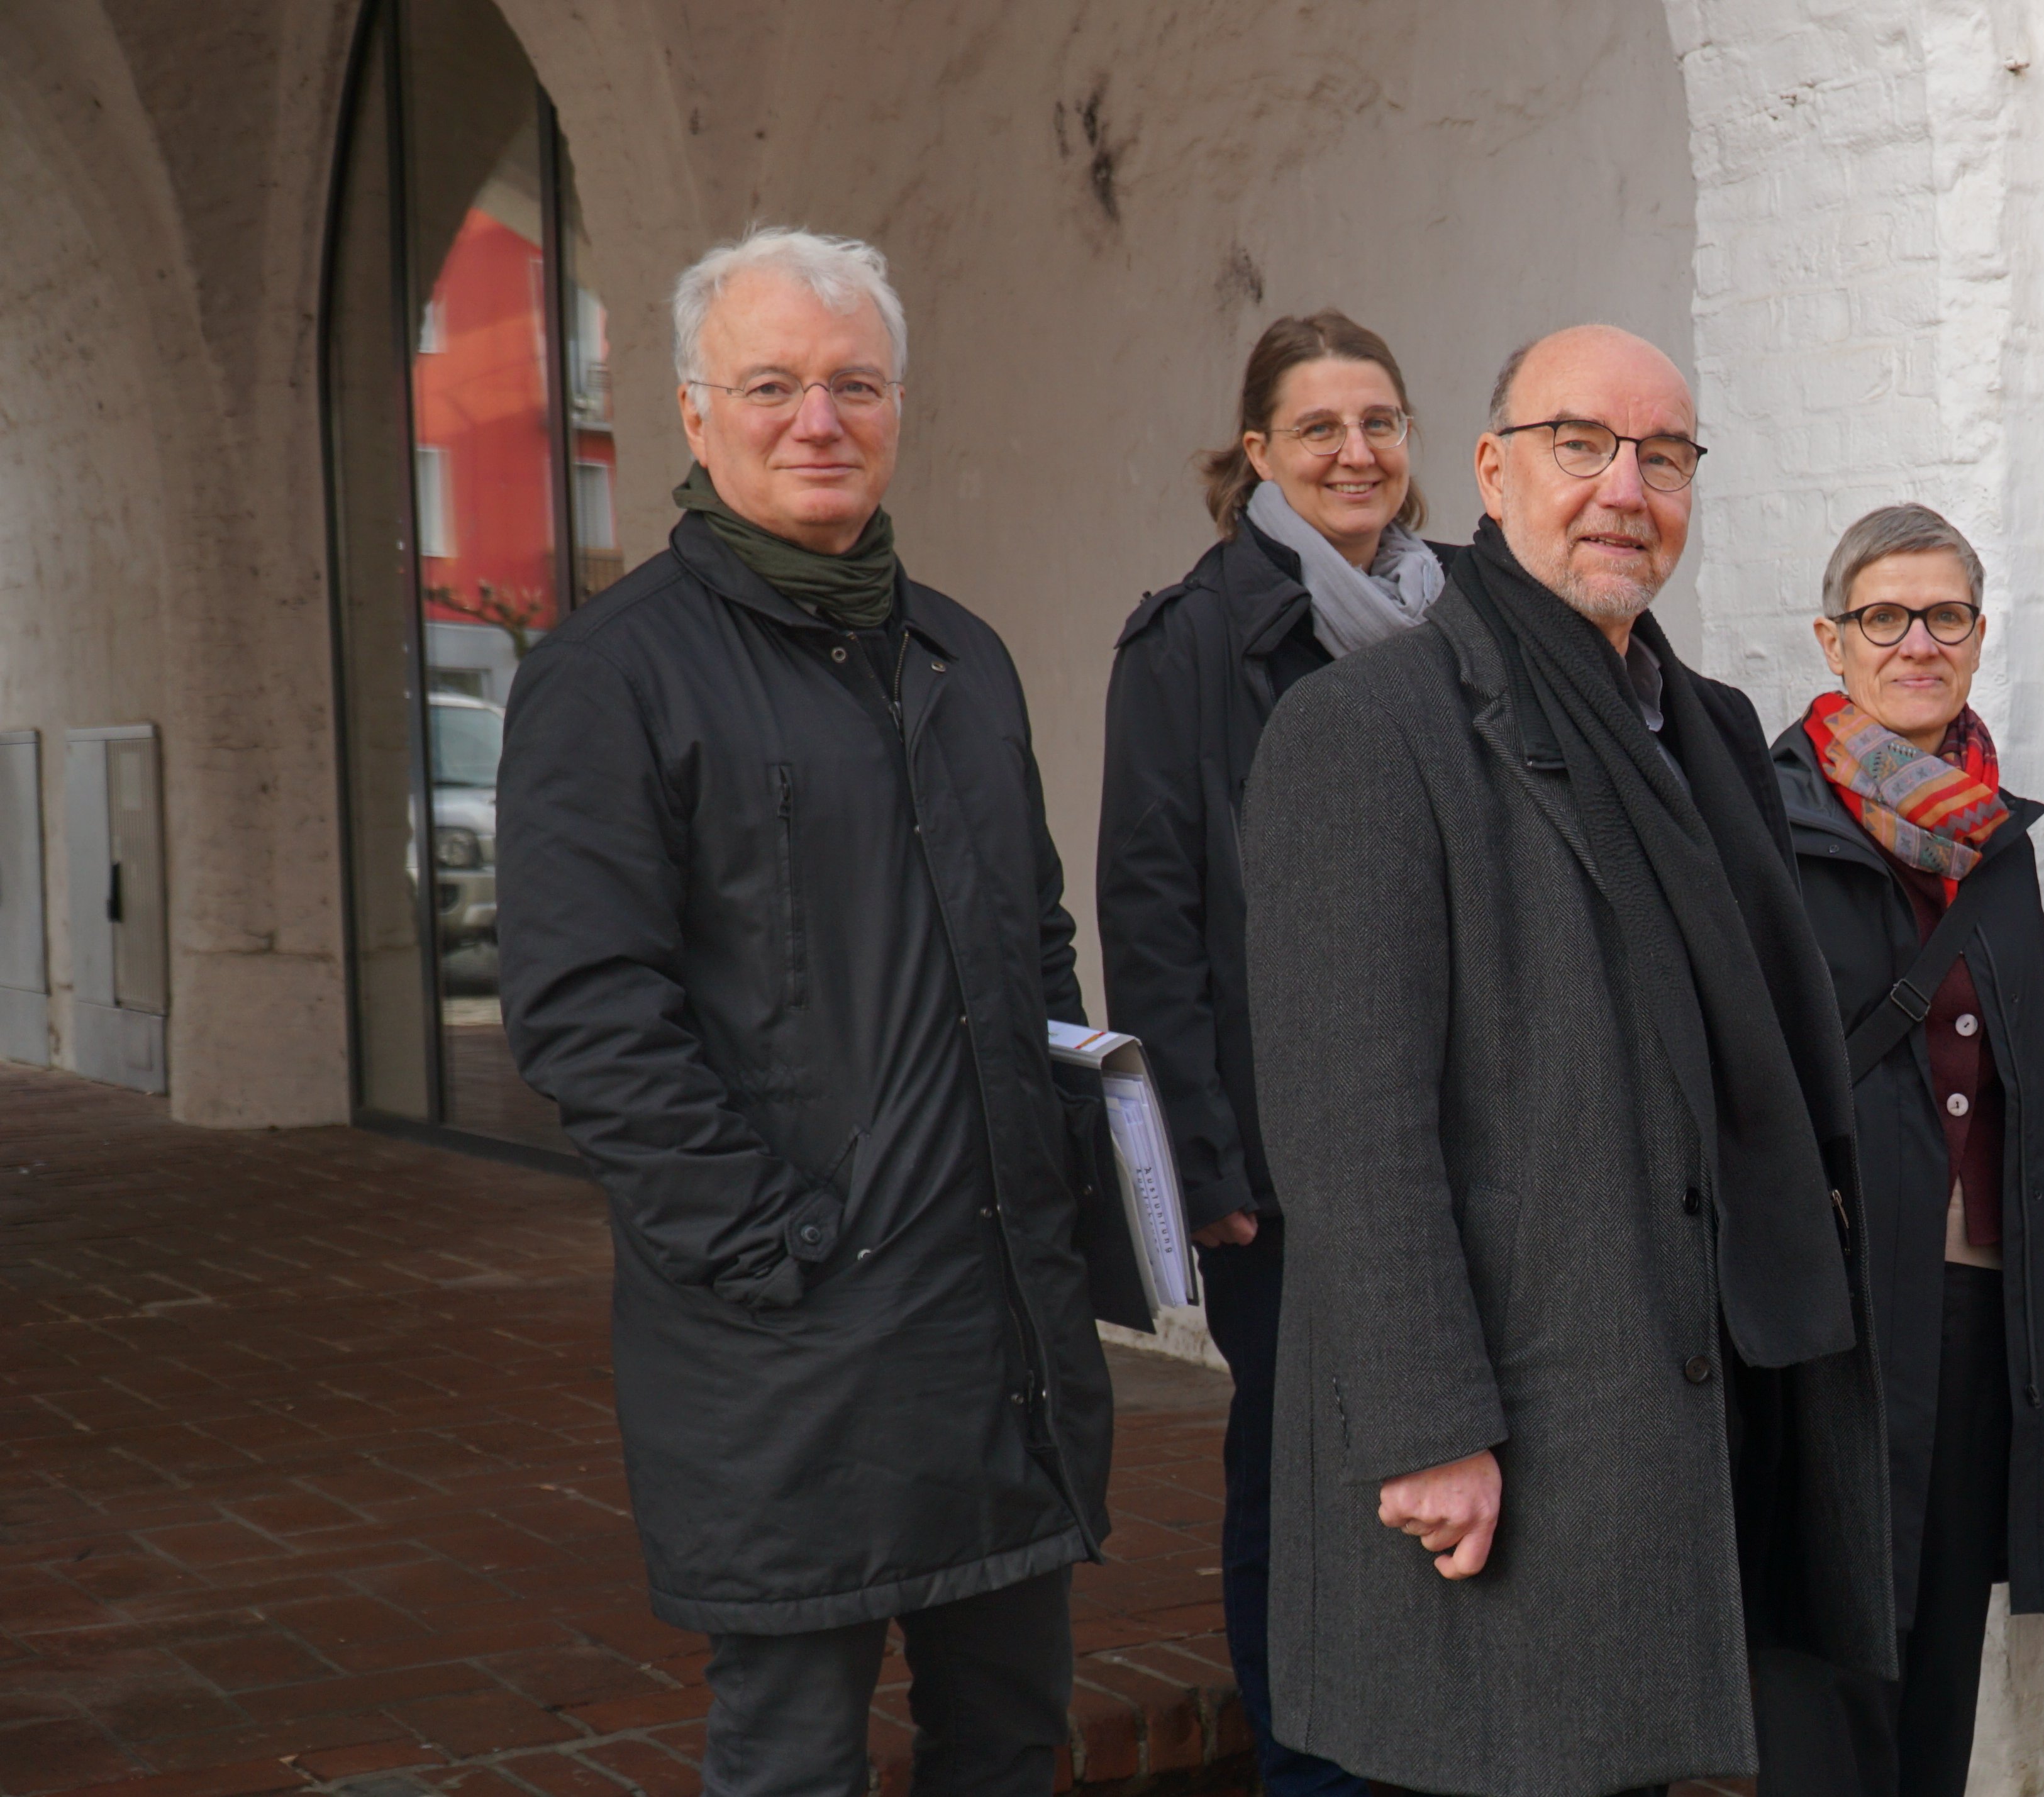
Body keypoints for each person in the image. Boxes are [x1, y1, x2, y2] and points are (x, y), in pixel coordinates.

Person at [1236, 323, 1895, 1797]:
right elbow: (1352, 1126)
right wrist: (1426, 1426)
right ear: (1490, 469)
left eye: (1663, 456)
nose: (1624, 488)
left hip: (1708, 1375)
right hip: (1521, 1406)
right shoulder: (1368, 730)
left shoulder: (1709, 726)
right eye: (1580, 444)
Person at [498, 228, 1112, 1796]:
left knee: (1013, 1740)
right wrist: (772, 1246)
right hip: (784, 1340)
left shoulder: (964, 658)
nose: (816, 418)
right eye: (771, 385)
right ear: (698, 416)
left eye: (852, 383)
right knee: (792, 1762)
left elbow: (1033, 944)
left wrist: (1063, 1175)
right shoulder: (611, 675)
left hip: (994, 1332)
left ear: (899, 406)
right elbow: (585, 1015)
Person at [1097, 308, 1438, 1797]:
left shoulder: (1476, 612)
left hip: (1460, 1126)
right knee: (1301, 1472)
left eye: (1379, 421)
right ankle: (1309, 1761)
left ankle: (1437, 1733)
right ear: (1259, 455)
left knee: (1450, 1442)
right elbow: (1152, 913)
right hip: (1284, 1157)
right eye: (1319, 429)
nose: (1354, 452)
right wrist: (1206, 1159)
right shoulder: (1190, 640)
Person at [1772, 504, 2044, 1796]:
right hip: (1838, 1311)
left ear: (1977, 635)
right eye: (1883, 617)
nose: (1917, 641)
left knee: (1944, 1651)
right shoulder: (1772, 818)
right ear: (1832, 640)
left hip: (1979, 1308)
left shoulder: (2000, 838)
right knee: (1833, 1654)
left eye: (1946, 615)